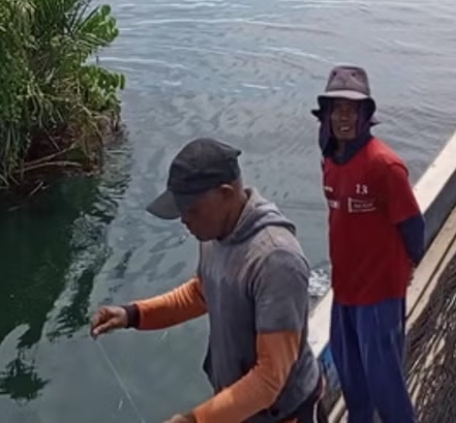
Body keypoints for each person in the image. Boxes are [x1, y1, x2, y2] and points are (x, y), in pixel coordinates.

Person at [89, 138, 323, 423]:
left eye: (192, 209)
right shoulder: (214, 234)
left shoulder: (275, 260)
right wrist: (132, 315)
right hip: (240, 409)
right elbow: (202, 293)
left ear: (226, 193)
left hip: (284, 415)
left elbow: (270, 379)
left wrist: (195, 420)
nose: (184, 220)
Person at [313, 65, 424, 423]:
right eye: (336, 109)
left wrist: (403, 273)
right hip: (344, 291)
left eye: (352, 109)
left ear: (365, 116)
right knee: (352, 385)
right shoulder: (330, 158)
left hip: (378, 294)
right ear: (326, 116)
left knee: (386, 387)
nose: (343, 117)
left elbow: (413, 226)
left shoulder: (385, 165)